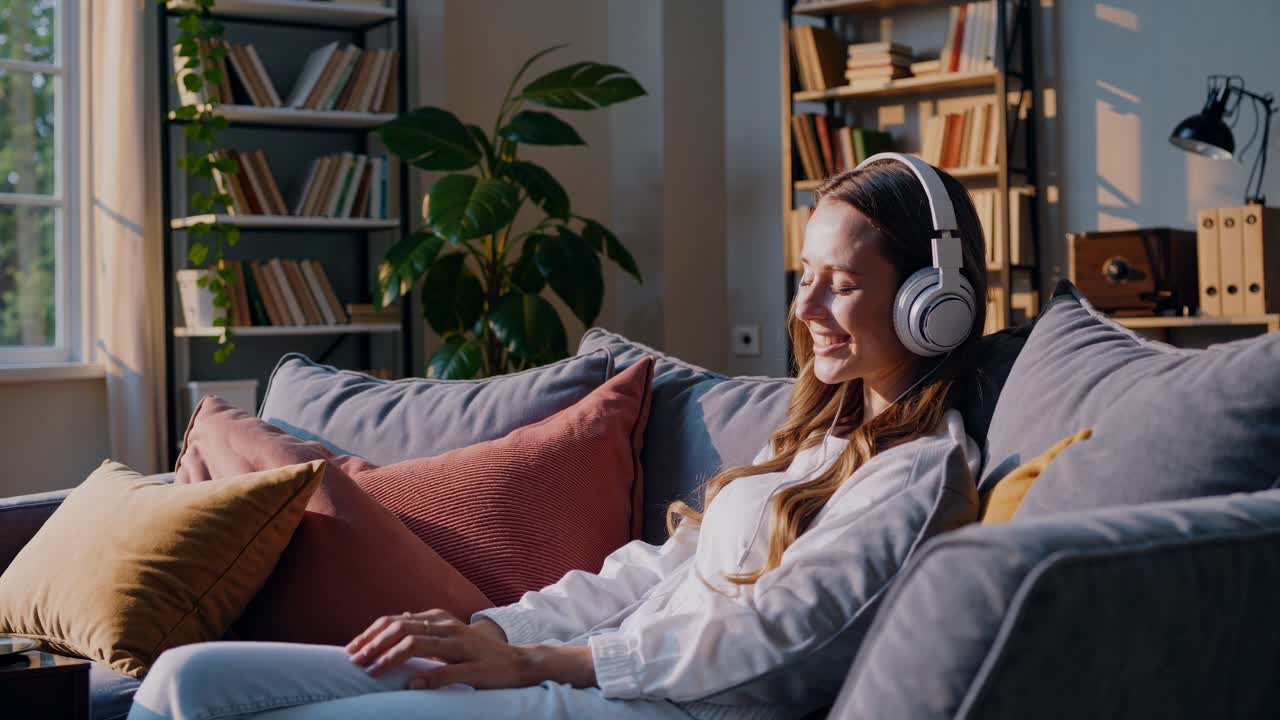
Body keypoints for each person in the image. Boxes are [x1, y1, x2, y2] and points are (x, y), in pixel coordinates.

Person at [127, 154, 989, 720]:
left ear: (932, 301)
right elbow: (651, 569)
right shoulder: (812, 440)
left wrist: (544, 661)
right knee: (184, 678)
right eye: (805, 277)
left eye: (839, 285)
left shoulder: (916, 476)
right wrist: (493, 633)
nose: (803, 312)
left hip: (639, 704)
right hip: (575, 674)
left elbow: (773, 642)